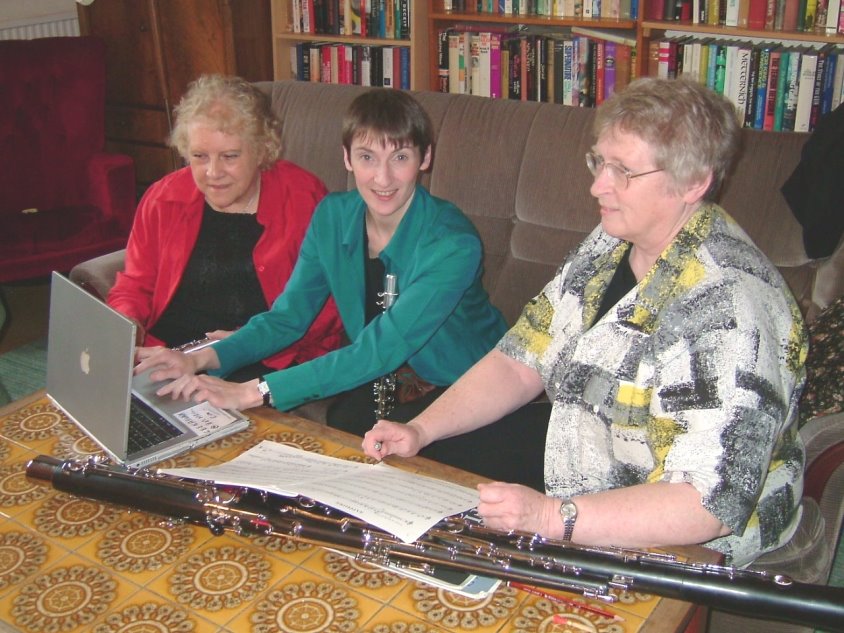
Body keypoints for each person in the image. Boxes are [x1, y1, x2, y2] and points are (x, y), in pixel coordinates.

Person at [363, 78, 808, 567]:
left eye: (624, 171)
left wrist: (552, 517)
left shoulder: (729, 310)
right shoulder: (613, 241)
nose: (598, 186)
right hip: (586, 451)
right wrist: (422, 429)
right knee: (411, 486)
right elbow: (520, 360)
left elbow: (707, 504)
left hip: (684, 533)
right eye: (599, 162)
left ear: (694, 181)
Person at [135, 88, 507, 428]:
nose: (382, 177)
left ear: (425, 158)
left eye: (400, 157)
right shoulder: (332, 217)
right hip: (377, 382)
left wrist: (254, 391)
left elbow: (380, 349)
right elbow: (287, 318)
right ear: (347, 158)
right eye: (367, 157)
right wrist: (198, 359)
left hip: (463, 387)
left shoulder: (453, 243)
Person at [108, 74, 343, 382]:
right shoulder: (163, 199)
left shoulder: (304, 200)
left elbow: (329, 309)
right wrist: (127, 325)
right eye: (199, 156)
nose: (213, 172)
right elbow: (134, 285)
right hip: (168, 354)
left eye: (230, 156)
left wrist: (238, 343)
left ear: (262, 150)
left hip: (261, 358)